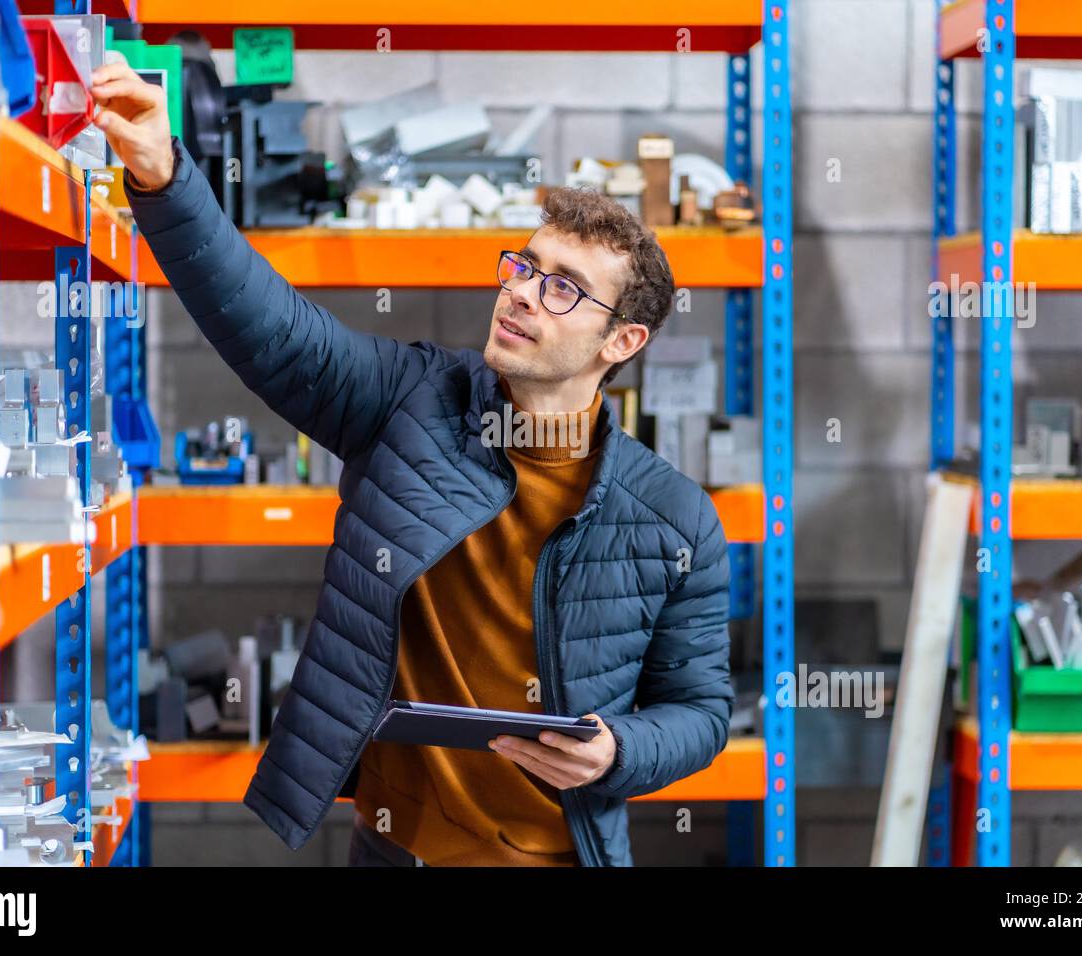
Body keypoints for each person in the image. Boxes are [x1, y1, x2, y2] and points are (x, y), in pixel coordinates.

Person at [91, 61, 733, 867]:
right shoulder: (410, 401)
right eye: (524, 267)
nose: (524, 294)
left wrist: (619, 751)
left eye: (564, 288)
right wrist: (163, 175)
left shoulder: (673, 517)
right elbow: (272, 327)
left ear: (623, 342)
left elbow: (702, 710)